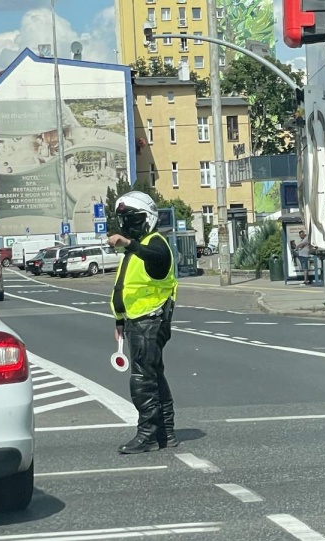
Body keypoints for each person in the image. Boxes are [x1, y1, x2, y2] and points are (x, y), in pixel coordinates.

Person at [107, 191, 179, 454]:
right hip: (138, 320)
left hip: (152, 319)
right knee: (153, 375)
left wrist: (128, 243)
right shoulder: (138, 246)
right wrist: (119, 319)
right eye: (124, 220)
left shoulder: (154, 244)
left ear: (148, 218)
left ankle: (148, 434)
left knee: (142, 379)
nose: (127, 225)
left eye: (133, 219)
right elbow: (125, 285)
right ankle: (165, 432)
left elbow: (156, 258)